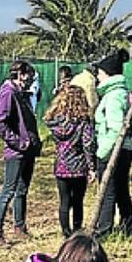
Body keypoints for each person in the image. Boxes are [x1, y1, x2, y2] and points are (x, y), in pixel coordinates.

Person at [0, 60, 42, 247]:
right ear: (20, 74)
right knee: (8, 191)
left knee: (22, 190)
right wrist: (19, 142)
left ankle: (19, 227)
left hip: (27, 152)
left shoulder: (21, 94)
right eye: (29, 75)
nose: (31, 80)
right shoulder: (8, 93)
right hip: (16, 153)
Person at [92, 49, 132, 239]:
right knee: (120, 190)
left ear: (107, 74)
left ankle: (104, 231)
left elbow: (116, 128)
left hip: (113, 151)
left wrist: (102, 153)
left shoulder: (114, 96)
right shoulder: (118, 93)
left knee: (108, 192)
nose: (97, 76)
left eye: (99, 73)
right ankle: (128, 228)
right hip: (123, 149)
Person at [44, 85, 97, 237]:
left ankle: (65, 232)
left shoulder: (54, 122)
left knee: (64, 201)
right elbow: (88, 143)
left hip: (61, 165)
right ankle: (77, 231)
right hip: (79, 166)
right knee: (78, 201)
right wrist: (91, 167)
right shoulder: (83, 120)